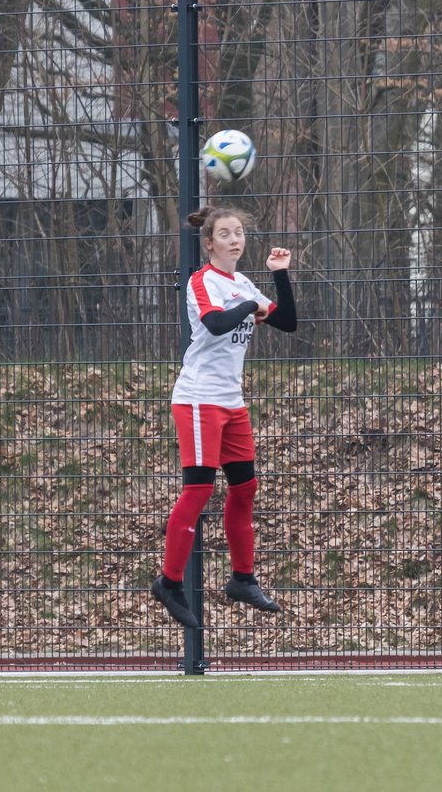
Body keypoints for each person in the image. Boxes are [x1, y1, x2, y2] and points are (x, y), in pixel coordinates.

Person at [151, 206, 297, 629]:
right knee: (198, 490)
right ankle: (169, 582)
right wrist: (250, 304)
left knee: (245, 488)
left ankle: (242, 578)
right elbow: (215, 324)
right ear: (210, 242)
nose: (235, 239)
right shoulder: (203, 281)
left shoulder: (244, 283)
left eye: (239, 233)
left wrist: (280, 274)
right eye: (225, 233)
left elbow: (286, 321)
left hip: (231, 403)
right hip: (198, 400)